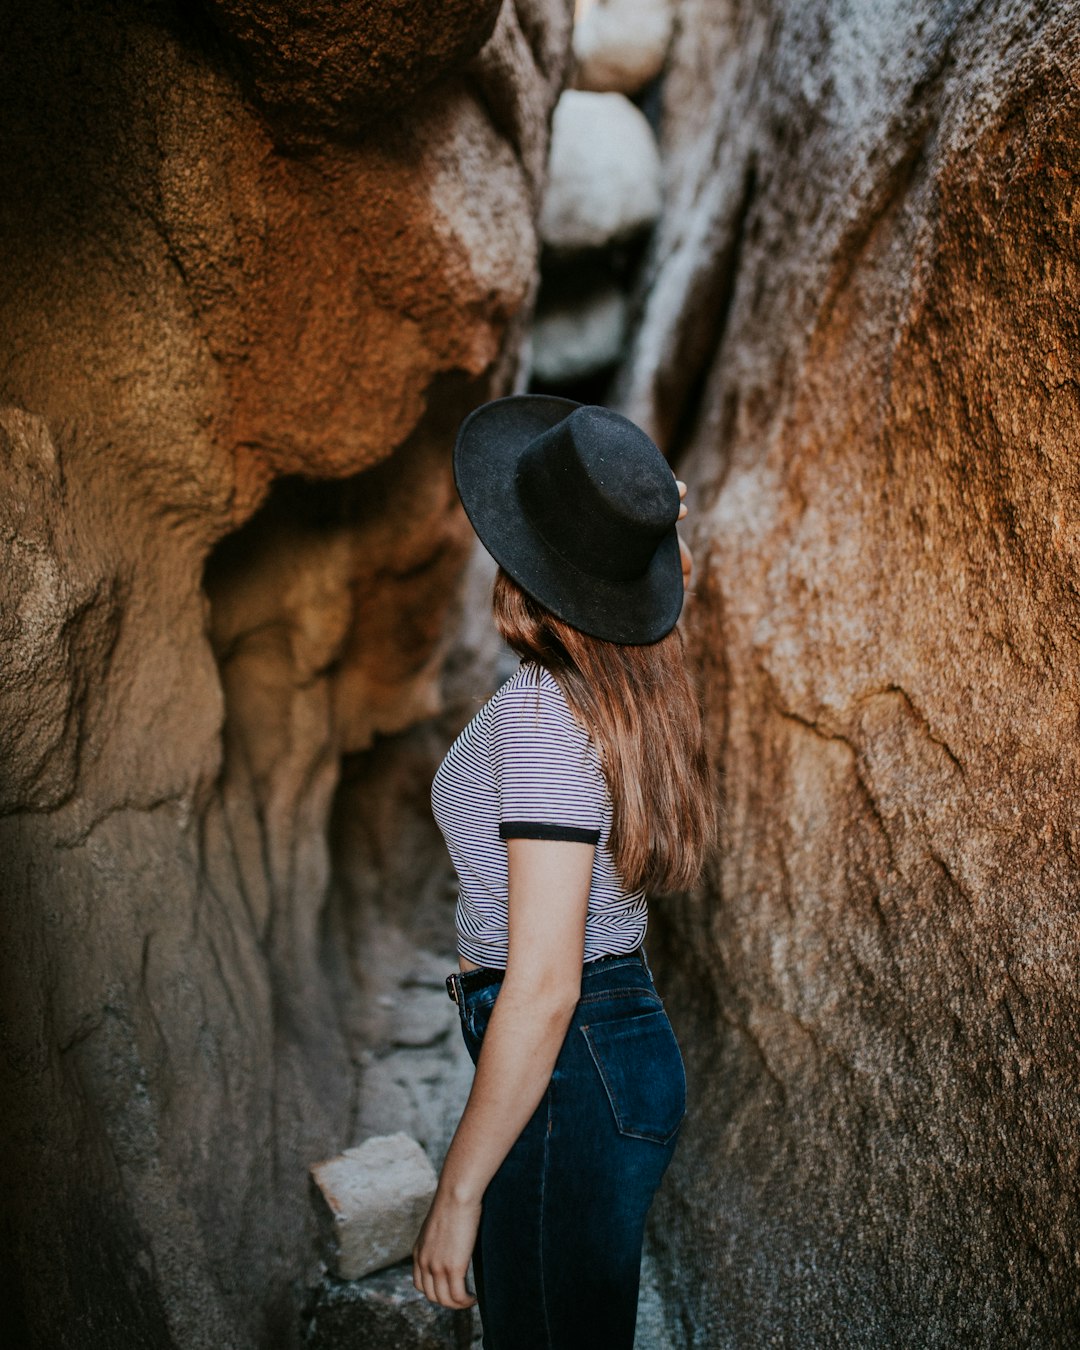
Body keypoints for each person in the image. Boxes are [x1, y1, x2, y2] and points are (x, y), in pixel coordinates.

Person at [412, 395, 713, 1349]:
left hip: (569, 1057)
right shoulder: (627, 690)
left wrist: (458, 1194)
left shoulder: (546, 715)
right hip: (607, 1053)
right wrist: (651, 527)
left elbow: (543, 985)